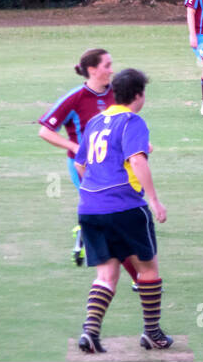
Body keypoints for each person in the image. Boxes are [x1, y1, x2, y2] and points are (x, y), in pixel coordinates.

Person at [74, 68, 172, 353]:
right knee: (148, 269)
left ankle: (90, 334)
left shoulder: (95, 121)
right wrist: (154, 201)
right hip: (125, 206)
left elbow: (80, 164)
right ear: (139, 95)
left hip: (89, 207)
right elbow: (138, 161)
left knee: (106, 275)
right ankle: (152, 333)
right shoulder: (133, 121)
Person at [37, 48, 139, 289]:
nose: (112, 70)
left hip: (117, 167)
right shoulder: (75, 98)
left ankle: (86, 231)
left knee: (119, 217)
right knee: (114, 220)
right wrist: (74, 146)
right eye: (107, 65)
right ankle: (139, 279)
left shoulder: (117, 94)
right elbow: (44, 130)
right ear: (92, 70)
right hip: (85, 169)